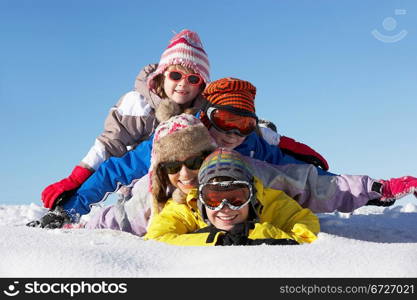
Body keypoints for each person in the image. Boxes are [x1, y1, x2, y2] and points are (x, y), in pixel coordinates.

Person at [28, 78, 417, 230]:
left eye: (242, 124)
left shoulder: (253, 152)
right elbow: (117, 171)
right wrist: (74, 212)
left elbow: (308, 182)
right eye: (224, 119)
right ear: (203, 116)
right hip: (164, 209)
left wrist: (374, 187)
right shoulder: (177, 144)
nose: (231, 133)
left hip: (232, 203)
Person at [40, 29, 211, 210]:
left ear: (201, 85)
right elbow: (110, 147)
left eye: (193, 78)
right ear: (162, 75)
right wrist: (77, 179)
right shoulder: (138, 105)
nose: (183, 83)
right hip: (139, 187)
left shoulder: (203, 117)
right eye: (176, 75)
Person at [144, 147, 319, 246]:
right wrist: (216, 239)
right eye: (213, 199)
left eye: (236, 198)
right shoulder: (184, 208)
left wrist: (257, 234)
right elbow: (156, 241)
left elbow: (306, 233)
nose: (225, 207)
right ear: (200, 199)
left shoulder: (272, 202)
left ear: (252, 195)